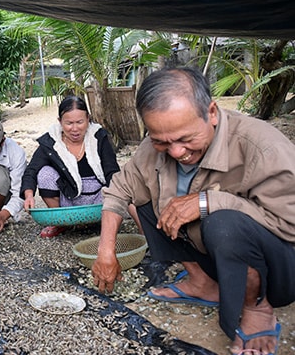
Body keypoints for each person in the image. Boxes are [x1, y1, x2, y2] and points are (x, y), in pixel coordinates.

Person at [91, 67, 295, 355]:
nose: (176, 152)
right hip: (217, 258)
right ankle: (203, 283)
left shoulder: (262, 147)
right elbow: (118, 191)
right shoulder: (152, 149)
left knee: (223, 223)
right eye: (161, 140)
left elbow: (289, 225)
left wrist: (208, 202)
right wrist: (106, 251)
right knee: (145, 201)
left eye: (185, 138)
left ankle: (257, 308)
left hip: (278, 271)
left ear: (211, 112)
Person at [21, 95, 140, 238]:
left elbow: (111, 172)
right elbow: (32, 170)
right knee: (44, 173)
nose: (75, 128)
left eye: (80, 122)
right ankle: (62, 223)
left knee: (122, 188)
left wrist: (123, 199)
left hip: (98, 198)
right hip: (69, 198)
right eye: (69, 123)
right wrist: (28, 195)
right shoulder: (51, 142)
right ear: (60, 122)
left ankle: (104, 221)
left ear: (88, 119)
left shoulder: (99, 137)